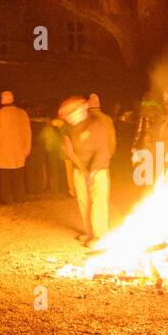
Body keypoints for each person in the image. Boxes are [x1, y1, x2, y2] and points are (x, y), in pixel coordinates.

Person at [57, 96, 115, 245]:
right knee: (84, 202)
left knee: (98, 202)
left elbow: (103, 151)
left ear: (82, 110)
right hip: (79, 170)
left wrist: (94, 171)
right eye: (67, 116)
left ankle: (101, 236)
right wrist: (68, 151)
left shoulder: (97, 125)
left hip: (98, 170)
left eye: (71, 114)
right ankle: (90, 234)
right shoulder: (70, 127)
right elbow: (66, 148)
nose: (69, 119)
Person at [0, 91, 31, 204]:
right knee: (19, 175)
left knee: (5, 177)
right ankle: (20, 197)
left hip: (4, 150)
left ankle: (6, 198)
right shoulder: (22, 113)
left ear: (3, 100)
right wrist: (27, 147)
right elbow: (27, 132)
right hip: (19, 150)